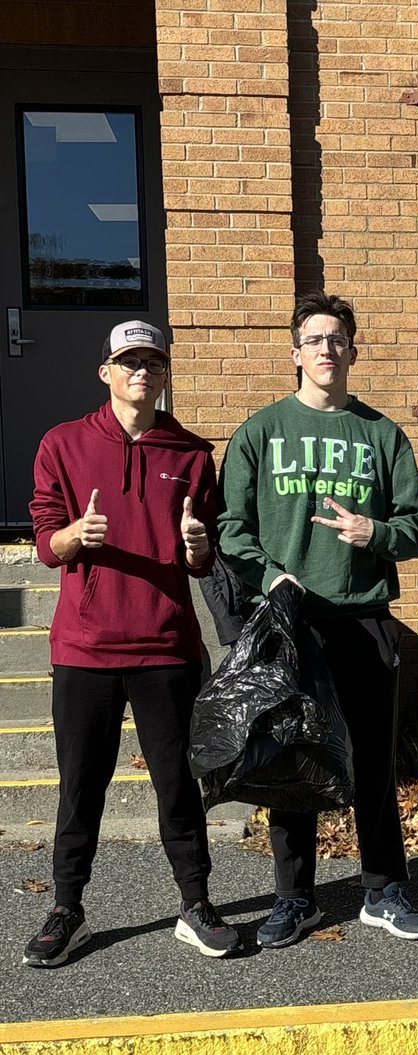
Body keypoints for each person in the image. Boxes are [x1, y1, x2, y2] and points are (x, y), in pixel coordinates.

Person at [219, 290, 418, 946]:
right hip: (290, 624)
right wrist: (267, 575)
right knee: (292, 761)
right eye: (313, 339)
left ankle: (382, 889)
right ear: (295, 353)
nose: (325, 349)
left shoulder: (379, 433)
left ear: (352, 350)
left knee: (372, 758)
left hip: (363, 618)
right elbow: (232, 528)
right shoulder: (261, 432)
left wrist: (375, 532)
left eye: (335, 339)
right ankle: (296, 899)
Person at [24, 320, 240, 967]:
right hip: (85, 651)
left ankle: (196, 904)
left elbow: (204, 554)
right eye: (127, 361)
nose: (140, 371)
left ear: (165, 373)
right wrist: (72, 538)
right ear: (105, 372)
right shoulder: (61, 445)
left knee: (177, 785)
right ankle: (67, 908)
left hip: (168, 648)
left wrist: (200, 552)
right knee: (80, 786)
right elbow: (43, 540)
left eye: (151, 361)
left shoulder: (193, 455)